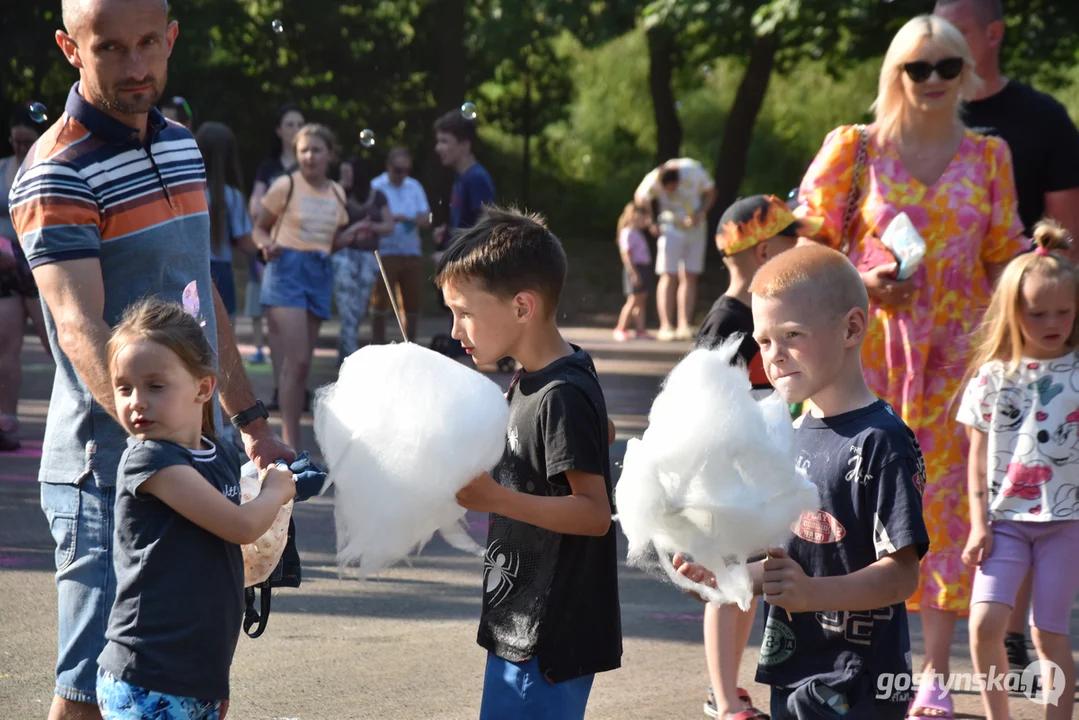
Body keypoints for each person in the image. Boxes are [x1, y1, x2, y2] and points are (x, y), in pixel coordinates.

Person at [8, 1, 293, 717]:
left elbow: (203, 300)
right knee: (91, 695)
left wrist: (248, 420)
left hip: (197, 459)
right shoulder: (54, 172)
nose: (134, 67)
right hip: (110, 473)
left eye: (146, 44)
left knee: (193, 677)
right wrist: (160, 455)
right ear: (71, 49)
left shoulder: (180, 144)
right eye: (109, 48)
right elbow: (80, 327)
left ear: (169, 40)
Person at [794, 16, 1027, 717]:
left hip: (959, 365)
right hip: (864, 360)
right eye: (915, 68)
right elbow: (805, 249)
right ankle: (838, 648)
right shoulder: (854, 149)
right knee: (852, 505)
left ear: (968, 74)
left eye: (946, 67)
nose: (931, 81)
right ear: (892, 74)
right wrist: (860, 282)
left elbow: (1002, 254)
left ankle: (928, 673)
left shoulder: (989, 157)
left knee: (947, 516)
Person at [676, 244, 930, 720]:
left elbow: (902, 575)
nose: (774, 356)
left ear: (852, 328)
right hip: (791, 672)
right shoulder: (785, 437)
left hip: (858, 684)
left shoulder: (883, 441)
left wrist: (813, 594)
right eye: (764, 341)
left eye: (792, 335)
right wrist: (724, 579)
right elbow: (789, 565)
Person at [934, 0, 1079, 667]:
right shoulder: (919, 109)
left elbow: (1065, 231)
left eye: (955, 33)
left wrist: (1052, 308)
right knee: (967, 464)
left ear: (990, 35)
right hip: (932, 330)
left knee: (1037, 460)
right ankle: (970, 628)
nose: (937, 50)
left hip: (1029, 314)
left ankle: (1019, 628)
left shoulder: (1040, 118)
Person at [441, 207, 622, 719]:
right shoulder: (536, 378)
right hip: (520, 619)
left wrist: (494, 498)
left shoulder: (560, 393)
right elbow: (593, 436)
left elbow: (591, 513)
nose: (455, 330)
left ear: (522, 307)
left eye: (465, 312)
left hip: (548, 635)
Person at [97, 298, 296, 720]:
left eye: (155, 385)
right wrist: (275, 489)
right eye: (124, 387)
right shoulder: (150, 461)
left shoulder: (217, 453)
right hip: (149, 677)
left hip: (199, 673)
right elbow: (242, 526)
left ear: (204, 388)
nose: (136, 401)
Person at [694, 194, 812, 720]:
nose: (799, 249)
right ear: (766, 251)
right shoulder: (729, 321)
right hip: (729, 478)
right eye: (792, 242)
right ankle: (724, 700)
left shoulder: (755, 316)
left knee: (748, 583)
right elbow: (702, 407)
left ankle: (730, 688)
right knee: (728, 584)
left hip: (755, 475)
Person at [956, 221, 1079, 720]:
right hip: (1005, 524)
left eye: (1064, 312)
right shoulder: (992, 377)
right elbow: (977, 457)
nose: (1053, 322)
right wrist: (979, 524)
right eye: (1038, 313)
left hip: (1065, 524)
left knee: (1048, 633)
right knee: (984, 625)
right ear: (1013, 312)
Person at [253, 123, 367, 451]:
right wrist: (266, 246)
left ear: (330, 155)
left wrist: (352, 236)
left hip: (319, 272)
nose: (309, 156)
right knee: (298, 360)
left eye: (316, 150)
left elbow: (329, 244)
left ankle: (286, 443)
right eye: (303, 150)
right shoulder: (284, 185)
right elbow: (259, 230)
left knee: (300, 367)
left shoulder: (337, 192)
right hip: (286, 270)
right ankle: (290, 445)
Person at [0, 102, 52, 452]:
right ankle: (6, 418)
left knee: (55, 342)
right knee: (6, 344)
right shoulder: (2, 168)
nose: (20, 148)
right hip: (3, 265)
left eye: (26, 142)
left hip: (36, 264)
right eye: (15, 142)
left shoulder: (48, 166)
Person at [432, 110, 497, 360]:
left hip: (467, 273)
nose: (439, 148)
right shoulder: (462, 178)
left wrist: (452, 255)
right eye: (438, 141)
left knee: (461, 349)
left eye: (445, 141)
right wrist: (446, 233)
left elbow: (485, 227)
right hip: (458, 270)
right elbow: (466, 222)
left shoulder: (477, 179)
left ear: (465, 144)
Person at [247, 104, 304, 377]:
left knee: (301, 321)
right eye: (290, 124)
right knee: (274, 320)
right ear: (279, 131)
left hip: (302, 251)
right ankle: (281, 384)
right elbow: (255, 208)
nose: (296, 130)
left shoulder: (309, 166)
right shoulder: (268, 167)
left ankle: (297, 383)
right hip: (273, 250)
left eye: (300, 124)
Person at [634, 158, 717, 342]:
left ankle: (684, 324)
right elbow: (640, 197)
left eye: (672, 187)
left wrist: (700, 214)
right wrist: (650, 219)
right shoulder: (656, 176)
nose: (670, 191)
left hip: (695, 227)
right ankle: (666, 326)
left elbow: (711, 192)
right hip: (670, 227)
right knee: (668, 274)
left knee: (689, 275)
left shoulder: (694, 169)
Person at [195, 121, 258, 324]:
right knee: (224, 335)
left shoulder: (189, 193)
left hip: (192, 268)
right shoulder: (232, 196)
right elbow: (245, 242)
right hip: (221, 271)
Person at [333, 156, 393, 364]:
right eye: (342, 173)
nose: (344, 177)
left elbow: (389, 225)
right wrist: (355, 228)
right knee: (345, 306)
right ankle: (351, 358)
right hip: (344, 256)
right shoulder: (337, 195)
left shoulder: (377, 196)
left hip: (369, 257)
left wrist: (370, 227)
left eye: (347, 173)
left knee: (358, 308)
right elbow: (330, 227)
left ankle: (343, 354)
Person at [370, 147, 431, 343]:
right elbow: (369, 217)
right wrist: (390, 219)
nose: (402, 175)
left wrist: (413, 219)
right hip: (385, 250)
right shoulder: (377, 186)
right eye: (398, 170)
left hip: (411, 251)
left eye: (406, 170)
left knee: (412, 302)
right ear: (388, 166)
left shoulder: (414, 186)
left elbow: (428, 217)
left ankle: (410, 343)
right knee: (380, 300)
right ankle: (378, 343)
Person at [612, 202, 652, 341]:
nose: (645, 221)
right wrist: (634, 273)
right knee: (633, 300)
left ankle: (640, 330)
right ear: (634, 216)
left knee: (641, 300)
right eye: (643, 218)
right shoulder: (627, 232)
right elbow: (626, 255)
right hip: (635, 268)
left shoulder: (638, 233)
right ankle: (621, 328)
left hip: (643, 267)